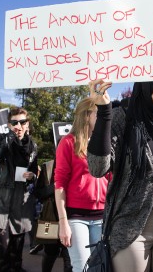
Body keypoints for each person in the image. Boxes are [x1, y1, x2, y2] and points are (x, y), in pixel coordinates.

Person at [87, 57, 153, 272]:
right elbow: (97, 168)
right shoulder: (120, 117)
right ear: (148, 83)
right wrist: (105, 113)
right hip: (129, 226)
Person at [54, 97, 109, 271]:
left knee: (99, 268)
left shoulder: (105, 144)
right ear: (86, 115)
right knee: (82, 268)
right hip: (76, 217)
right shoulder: (68, 142)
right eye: (99, 114)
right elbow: (60, 184)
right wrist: (63, 222)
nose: (105, 119)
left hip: (102, 216)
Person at [0, 107, 38, 272]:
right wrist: (9, 139)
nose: (19, 125)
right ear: (9, 124)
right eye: (14, 122)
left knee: (17, 251)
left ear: (27, 123)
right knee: (3, 249)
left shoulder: (32, 145)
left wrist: (32, 176)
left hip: (21, 201)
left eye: (22, 122)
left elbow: (35, 171)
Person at [35, 159, 72, 272]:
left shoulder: (76, 163)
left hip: (70, 218)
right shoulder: (48, 167)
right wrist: (55, 186)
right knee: (50, 253)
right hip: (49, 219)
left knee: (68, 257)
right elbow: (39, 193)